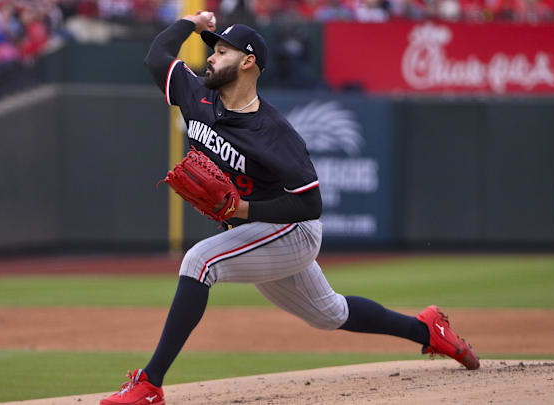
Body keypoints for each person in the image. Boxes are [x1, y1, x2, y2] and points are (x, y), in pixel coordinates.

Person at [100, 11, 480, 405]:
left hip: (293, 230)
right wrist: (193, 23)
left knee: (200, 262)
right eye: (212, 49)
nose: (211, 57)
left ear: (247, 62)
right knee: (328, 313)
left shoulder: (274, 132)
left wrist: (241, 209)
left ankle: (150, 384)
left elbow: (310, 204)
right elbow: (156, 56)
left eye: (222, 51)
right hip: (256, 231)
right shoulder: (196, 94)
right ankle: (427, 329)